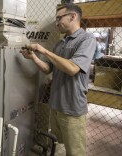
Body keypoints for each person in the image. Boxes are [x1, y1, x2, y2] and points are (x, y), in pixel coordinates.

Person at [20, 3, 96, 156]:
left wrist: (44, 51)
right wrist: (34, 58)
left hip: (72, 108)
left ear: (73, 17)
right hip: (55, 106)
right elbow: (49, 69)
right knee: (61, 143)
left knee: (75, 152)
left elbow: (73, 68)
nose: (56, 23)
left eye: (59, 18)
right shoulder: (60, 43)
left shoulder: (87, 40)